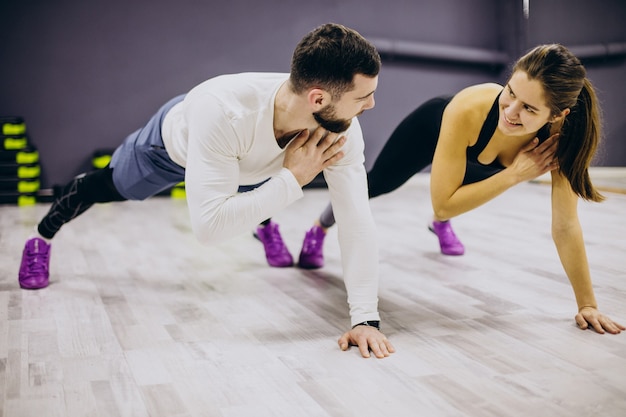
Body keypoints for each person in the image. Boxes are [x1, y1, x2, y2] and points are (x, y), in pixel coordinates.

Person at [17, 23, 396, 358]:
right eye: (363, 97)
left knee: (267, 178)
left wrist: (366, 318)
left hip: (249, 160)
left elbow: (354, 218)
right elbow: (209, 228)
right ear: (318, 98)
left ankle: (263, 222)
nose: (372, 104)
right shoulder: (222, 110)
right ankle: (41, 236)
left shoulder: (340, 124)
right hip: (170, 149)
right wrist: (292, 180)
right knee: (114, 186)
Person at [300, 43, 625, 334]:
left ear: (558, 115)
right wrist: (514, 174)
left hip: (478, 161)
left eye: (528, 108)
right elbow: (442, 202)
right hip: (433, 128)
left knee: (467, 184)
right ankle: (318, 228)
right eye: (511, 92)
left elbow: (566, 225)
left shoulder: (561, 142)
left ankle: (440, 228)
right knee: (378, 183)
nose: (510, 112)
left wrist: (587, 304)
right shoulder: (470, 107)